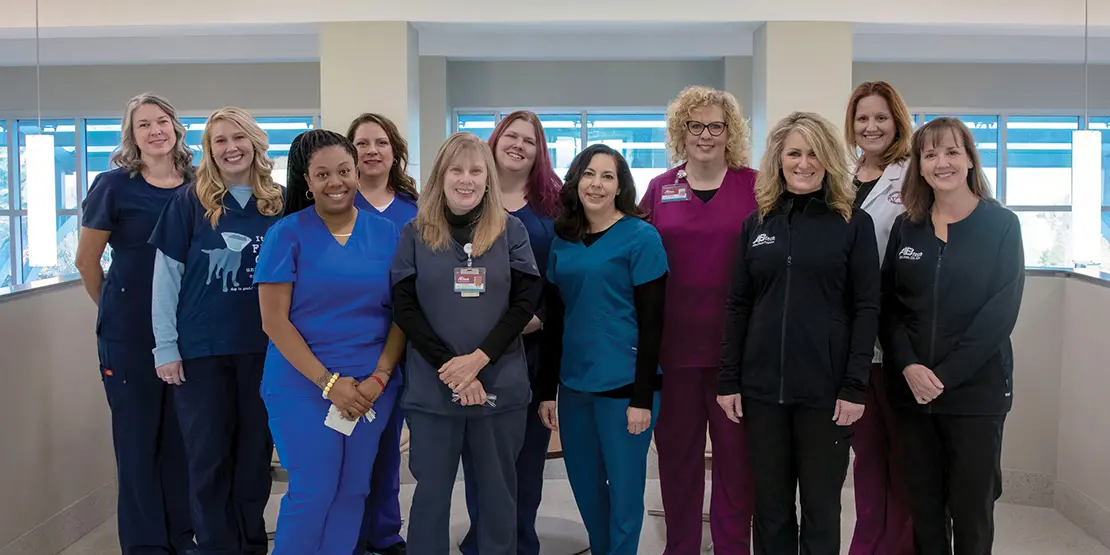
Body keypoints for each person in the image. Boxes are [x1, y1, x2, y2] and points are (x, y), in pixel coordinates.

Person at [716, 111, 880, 555]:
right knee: (770, 508)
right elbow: (739, 305)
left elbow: (867, 309)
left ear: (828, 160)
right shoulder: (758, 224)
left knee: (822, 509)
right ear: (779, 159)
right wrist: (729, 379)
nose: (803, 163)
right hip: (762, 391)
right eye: (794, 153)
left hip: (826, 395)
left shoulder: (852, 224)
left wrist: (854, 386)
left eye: (813, 153)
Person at [254, 129, 406, 555]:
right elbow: (274, 321)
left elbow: (402, 315)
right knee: (313, 489)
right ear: (307, 181)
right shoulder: (287, 234)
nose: (335, 182)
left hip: (372, 388)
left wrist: (379, 377)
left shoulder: (387, 234)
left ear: (357, 172)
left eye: (344, 170)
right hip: (302, 385)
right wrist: (328, 383)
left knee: (353, 490)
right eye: (323, 174)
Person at [390, 132, 541, 555]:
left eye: (476, 170)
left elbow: (525, 301)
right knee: (431, 495)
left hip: (498, 383)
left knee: (497, 495)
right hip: (433, 387)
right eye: (457, 169)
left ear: (488, 178)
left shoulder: (510, 230)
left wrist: (477, 361)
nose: (466, 179)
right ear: (440, 176)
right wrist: (452, 370)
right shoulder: (415, 233)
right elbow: (406, 309)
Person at [880, 117, 1024, 555]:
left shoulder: (1001, 225)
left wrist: (943, 376)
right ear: (919, 167)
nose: (941, 162)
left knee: (972, 509)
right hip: (911, 394)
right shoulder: (908, 226)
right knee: (923, 507)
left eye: (952, 152)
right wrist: (908, 365)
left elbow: (999, 313)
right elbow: (888, 306)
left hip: (975, 395)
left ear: (969, 160)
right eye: (930, 154)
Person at [148, 106, 284, 555]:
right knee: (208, 458)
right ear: (208, 150)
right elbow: (165, 278)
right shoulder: (189, 202)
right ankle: (215, 546)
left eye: (238, 138)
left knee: (252, 459)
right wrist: (165, 347)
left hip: (265, 351)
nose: (231, 148)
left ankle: (250, 543)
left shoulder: (279, 203)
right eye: (219, 141)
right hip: (201, 351)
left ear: (255, 143)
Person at [73, 91, 196, 555]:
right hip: (128, 337)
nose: (155, 130)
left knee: (184, 442)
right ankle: (146, 546)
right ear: (132, 135)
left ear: (176, 127)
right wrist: (114, 309)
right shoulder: (114, 186)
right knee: (139, 443)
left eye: (162, 121)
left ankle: (182, 539)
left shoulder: (199, 182)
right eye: (144, 124)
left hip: (187, 332)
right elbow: (88, 261)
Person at [638, 85, 757, 555]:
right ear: (680, 132)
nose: (705, 135)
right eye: (695, 125)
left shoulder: (755, 186)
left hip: (737, 355)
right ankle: (680, 547)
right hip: (675, 352)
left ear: (730, 133)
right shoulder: (660, 188)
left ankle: (731, 548)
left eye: (716, 126)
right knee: (677, 461)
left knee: (736, 462)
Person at [539, 143, 669, 555]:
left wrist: (642, 398)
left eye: (607, 176)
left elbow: (653, 324)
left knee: (626, 495)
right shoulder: (564, 239)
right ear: (576, 181)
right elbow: (555, 321)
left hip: (626, 388)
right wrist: (547, 390)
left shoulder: (641, 236)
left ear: (620, 187)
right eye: (589, 174)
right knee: (587, 489)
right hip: (575, 387)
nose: (596, 184)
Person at [460, 110, 563, 555]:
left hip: (532, 348)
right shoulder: (465, 199)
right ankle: (482, 541)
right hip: (474, 352)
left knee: (525, 461)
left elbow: (561, 279)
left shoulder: (553, 208)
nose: (518, 145)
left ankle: (522, 542)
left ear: (539, 152)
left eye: (530, 140)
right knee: (481, 460)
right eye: (511, 135)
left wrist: (537, 319)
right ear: (495, 140)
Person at [843, 80, 917, 555]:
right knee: (865, 457)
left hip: (899, 341)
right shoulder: (841, 176)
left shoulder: (914, 176)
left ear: (897, 122)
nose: (871, 127)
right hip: (851, 343)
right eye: (862, 118)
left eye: (880, 118)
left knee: (903, 460)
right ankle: (866, 544)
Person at [346, 112, 419, 555]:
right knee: (352, 451)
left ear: (395, 152)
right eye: (361, 144)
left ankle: (385, 534)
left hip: (405, 343)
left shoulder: (414, 210)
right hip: (350, 344)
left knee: (389, 445)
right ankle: (351, 535)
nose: (371, 151)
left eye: (380, 143)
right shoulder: (336, 204)